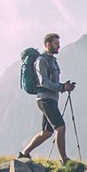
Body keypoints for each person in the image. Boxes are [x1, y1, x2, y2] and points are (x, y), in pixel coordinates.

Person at [19, 32, 76, 162]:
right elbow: (43, 82)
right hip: (45, 99)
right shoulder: (41, 61)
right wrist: (62, 87)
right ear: (48, 44)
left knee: (47, 133)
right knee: (60, 127)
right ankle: (64, 160)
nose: (59, 46)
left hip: (51, 99)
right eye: (56, 44)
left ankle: (24, 153)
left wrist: (65, 86)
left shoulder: (53, 61)